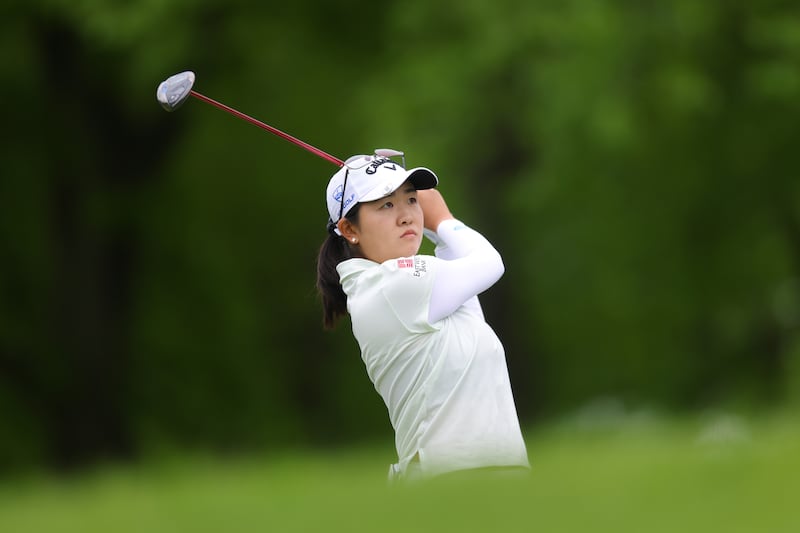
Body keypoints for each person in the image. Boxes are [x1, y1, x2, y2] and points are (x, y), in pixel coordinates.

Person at [316, 150, 529, 481]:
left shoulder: (419, 290)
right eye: (386, 204)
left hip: (491, 479)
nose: (405, 215)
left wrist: (434, 229)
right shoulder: (390, 286)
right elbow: (489, 263)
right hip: (451, 481)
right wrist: (442, 219)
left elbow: (464, 271)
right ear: (349, 228)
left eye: (411, 200)